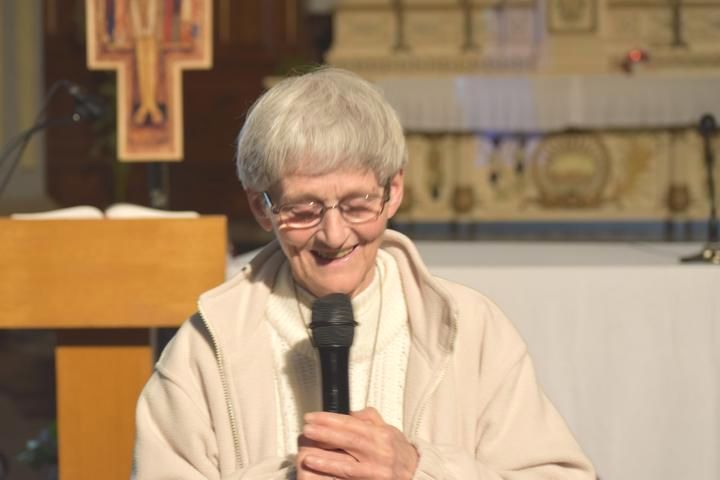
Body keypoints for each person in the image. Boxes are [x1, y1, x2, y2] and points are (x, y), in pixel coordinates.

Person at [132, 67, 596, 479]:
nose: (334, 235)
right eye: (303, 209)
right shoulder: (207, 347)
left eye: (357, 205)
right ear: (262, 207)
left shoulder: (470, 328)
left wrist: (419, 469)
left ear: (393, 192)